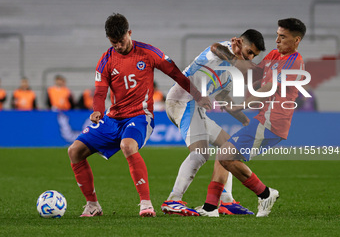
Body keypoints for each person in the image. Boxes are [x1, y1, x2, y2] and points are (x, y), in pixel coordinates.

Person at [67, 13, 212, 218]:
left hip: (139, 116)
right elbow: (100, 91)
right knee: (74, 151)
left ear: (130, 33)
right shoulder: (106, 60)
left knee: (127, 145)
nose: (118, 46)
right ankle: (92, 205)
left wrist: (198, 95)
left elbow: (176, 74)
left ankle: (145, 204)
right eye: (113, 42)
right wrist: (97, 109)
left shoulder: (148, 52)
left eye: (121, 41)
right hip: (113, 118)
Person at [196, 18, 307, 217]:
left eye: (283, 37)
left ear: (297, 40)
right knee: (224, 153)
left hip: (273, 121)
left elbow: (267, 87)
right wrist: (236, 54)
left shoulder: (294, 61)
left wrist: (241, 105)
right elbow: (254, 73)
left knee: (225, 155)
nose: (277, 40)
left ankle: (265, 194)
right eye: (277, 35)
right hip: (265, 119)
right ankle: (211, 208)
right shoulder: (274, 55)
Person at [161, 29, 266, 216]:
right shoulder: (224, 48)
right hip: (183, 100)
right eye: (249, 52)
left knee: (228, 147)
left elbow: (224, 97)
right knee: (201, 153)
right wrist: (236, 60)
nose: (250, 58)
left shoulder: (232, 72)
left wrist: (244, 119)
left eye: (254, 56)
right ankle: (173, 200)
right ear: (239, 42)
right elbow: (215, 47)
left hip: (195, 105)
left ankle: (227, 202)